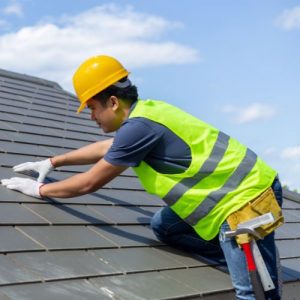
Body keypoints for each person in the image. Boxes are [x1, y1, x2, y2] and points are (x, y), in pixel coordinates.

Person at [1, 55, 283, 300]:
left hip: (245, 200)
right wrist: (52, 162)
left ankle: (253, 267)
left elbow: (89, 182)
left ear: (112, 102)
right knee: (164, 227)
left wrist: (40, 191)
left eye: (92, 107)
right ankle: (243, 260)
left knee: (254, 293)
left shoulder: (139, 127)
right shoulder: (145, 114)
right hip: (227, 195)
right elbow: (106, 148)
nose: (91, 117)